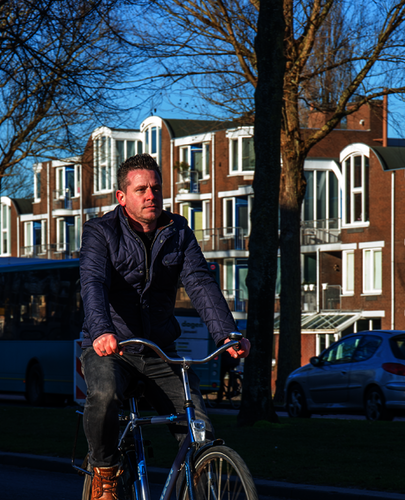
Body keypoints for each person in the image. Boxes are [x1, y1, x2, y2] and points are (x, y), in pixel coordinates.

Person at [79, 153, 250, 500]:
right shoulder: (100, 231)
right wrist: (101, 332)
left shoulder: (178, 231)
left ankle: (202, 487)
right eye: (141, 189)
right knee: (104, 393)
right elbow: (93, 282)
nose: (151, 195)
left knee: (197, 423)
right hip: (112, 348)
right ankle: (105, 471)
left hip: (159, 351)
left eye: (155, 188)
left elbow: (200, 283)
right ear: (122, 196)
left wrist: (227, 334)